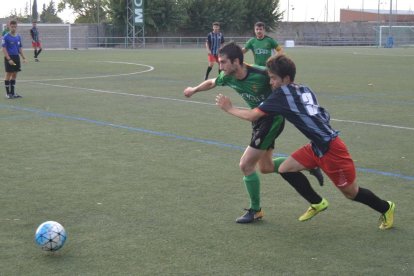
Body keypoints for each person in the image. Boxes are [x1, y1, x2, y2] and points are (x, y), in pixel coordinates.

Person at [216, 54, 395, 230]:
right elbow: (320, 112)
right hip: (316, 146)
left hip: (332, 150)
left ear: (286, 78)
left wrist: (229, 108)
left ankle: (386, 208)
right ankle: (317, 203)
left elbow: (253, 115)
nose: (270, 82)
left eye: (273, 78)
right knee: (285, 168)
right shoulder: (303, 88)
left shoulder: (281, 96)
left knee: (351, 193)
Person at [184, 42, 323, 223]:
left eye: (224, 62)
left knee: (246, 165)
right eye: (219, 62)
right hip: (259, 121)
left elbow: (283, 81)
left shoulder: (260, 74)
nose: (221, 66)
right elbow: (212, 82)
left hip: (271, 120)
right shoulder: (227, 76)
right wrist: (193, 90)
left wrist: (229, 108)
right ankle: (309, 164)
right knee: (265, 167)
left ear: (236, 61)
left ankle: (255, 210)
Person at [2, 20, 26, 99]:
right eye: (12, 27)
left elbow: (19, 48)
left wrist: (23, 57)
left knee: (15, 74)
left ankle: (13, 93)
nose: (14, 28)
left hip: (16, 57)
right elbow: (4, 49)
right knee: (8, 74)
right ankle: (8, 94)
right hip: (9, 57)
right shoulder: (6, 36)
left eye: (15, 27)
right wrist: (9, 59)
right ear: (9, 26)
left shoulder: (18, 37)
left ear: (17, 27)